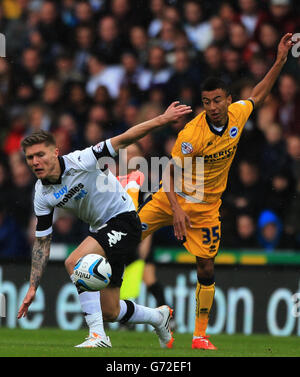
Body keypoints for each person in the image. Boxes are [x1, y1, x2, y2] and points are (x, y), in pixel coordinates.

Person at [137, 33, 296, 350]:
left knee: (206, 266)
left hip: (207, 206)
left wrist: (280, 59)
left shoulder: (238, 114)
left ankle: (199, 335)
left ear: (228, 99)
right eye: (207, 102)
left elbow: (260, 95)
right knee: (124, 238)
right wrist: (178, 210)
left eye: (218, 100)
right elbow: (167, 173)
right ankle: (100, 313)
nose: (212, 107)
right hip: (174, 198)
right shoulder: (191, 134)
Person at [17, 102, 192, 349]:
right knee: (110, 310)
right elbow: (42, 242)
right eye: (29, 157)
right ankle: (158, 317)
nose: (35, 161)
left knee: (75, 262)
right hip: (102, 230)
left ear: (55, 152)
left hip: (125, 219)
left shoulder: (81, 160)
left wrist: (163, 119)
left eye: (40, 155)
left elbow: (126, 137)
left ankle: (98, 336)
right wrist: (33, 287)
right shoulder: (41, 193)